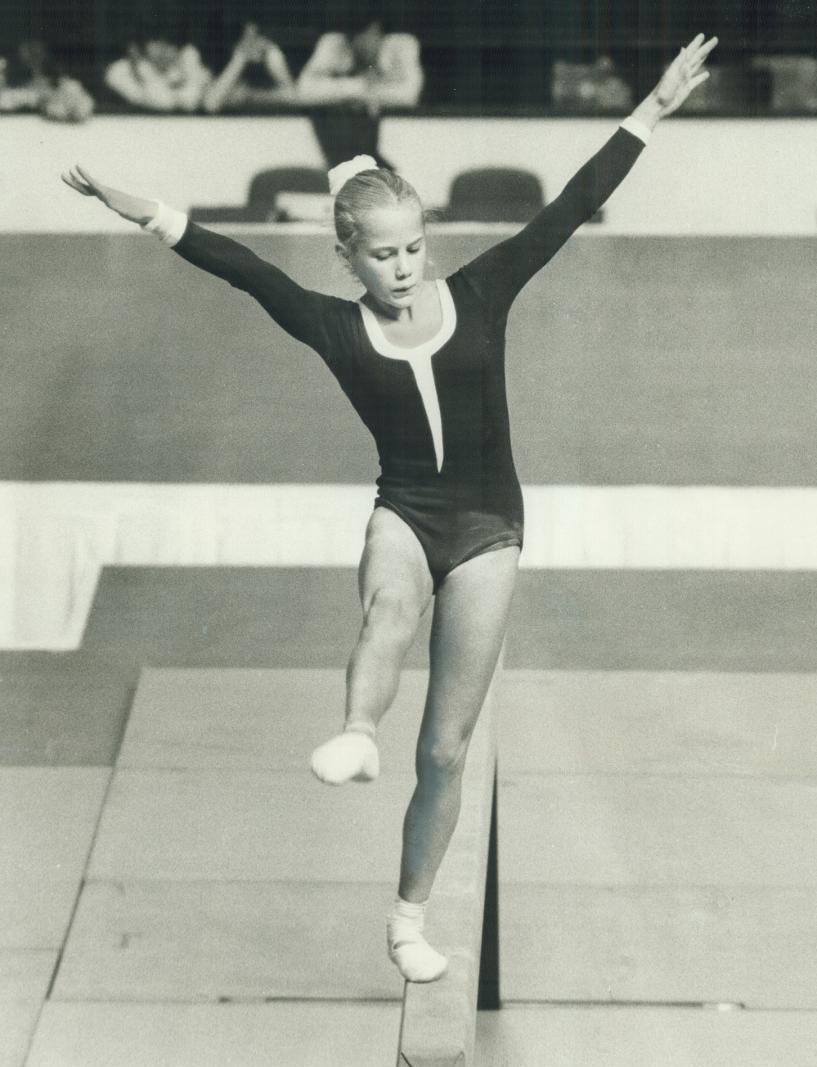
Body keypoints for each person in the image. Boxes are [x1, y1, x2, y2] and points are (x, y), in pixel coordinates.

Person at [62, 33, 717, 984]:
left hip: (491, 528)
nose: (403, 267)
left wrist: (649, 109)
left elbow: (571, 207)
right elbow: (242, 269)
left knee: (446, 750)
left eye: (414, 248)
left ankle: (407, 920)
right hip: (406, 512)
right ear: (350, 258)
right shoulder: (334, 326)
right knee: (387, 609)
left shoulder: (483, 290)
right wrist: (146, 212)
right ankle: (356, 732)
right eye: (382, 255)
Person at [296, 12, 423, 169]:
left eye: (369, 35)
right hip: (340, 142)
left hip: (390, 139)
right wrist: (361, 87)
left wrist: (350, 92)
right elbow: (304, 91)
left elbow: (409, 95)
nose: (361, 43)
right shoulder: (334, 41)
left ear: (379, 31)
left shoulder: (402, 43)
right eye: (355, 37)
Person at [202, 23, 296, 114]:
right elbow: (211, 103)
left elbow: (292, 97)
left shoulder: (271, 59)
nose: (253, 44)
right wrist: (239, 59)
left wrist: (274, 56)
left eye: (257, 38)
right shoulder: (232, 63)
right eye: (247, 39)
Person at [104, 35, 212, 112]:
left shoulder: (192, 68)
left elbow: (190, 102)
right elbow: (162, 104)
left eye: (169, 44)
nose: (162, 49)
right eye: (156, 41)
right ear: (143, 45)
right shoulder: (120, 70)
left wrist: (189, 63)